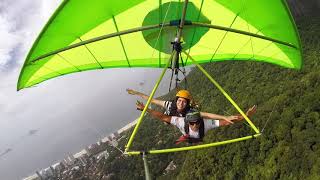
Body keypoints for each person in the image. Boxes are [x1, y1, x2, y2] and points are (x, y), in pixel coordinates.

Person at [136, 101, 256, 144]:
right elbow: (162, 117)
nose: (195, 125)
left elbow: (226, 122)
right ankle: (185, 138)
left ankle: (192, 140)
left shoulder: (206, 123)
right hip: (186, 136)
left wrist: (245, 116)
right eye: (192, 123)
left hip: (198, 138)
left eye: (197, 122)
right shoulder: (181, 121)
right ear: (187, 122)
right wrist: (145, 109)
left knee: (196, 139)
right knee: (185, 137)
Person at [127, 89, 193, 117]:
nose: (181, 103)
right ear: (176, 100)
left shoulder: (188, 112)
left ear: (187, 104)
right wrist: (136, 93)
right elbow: (152, 100)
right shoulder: (169, 105)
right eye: (179, 101)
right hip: (168, 116)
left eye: (184, 102)